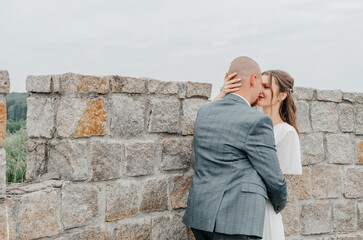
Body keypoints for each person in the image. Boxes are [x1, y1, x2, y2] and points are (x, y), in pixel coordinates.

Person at [182, 56, 288, 240]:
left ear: (227, 77)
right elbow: (274, 178)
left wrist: (222, 93)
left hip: (200, 217)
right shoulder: (257, 121)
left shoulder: (204, 112)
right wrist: (278, 205)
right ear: (254, 80)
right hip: (237, 222)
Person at [215, 70, 302, 239]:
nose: (260, 91)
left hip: (264, 210)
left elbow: (278, 182)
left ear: (282, 95)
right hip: (239, 211)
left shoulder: (287, 133)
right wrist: (223, 93)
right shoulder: (250, 124)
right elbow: (212, 116)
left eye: (267, 87)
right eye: (259, 85)